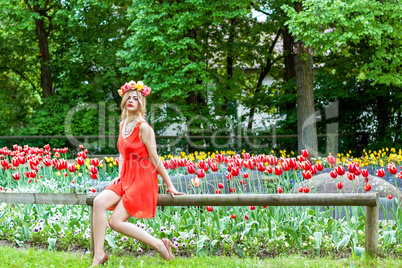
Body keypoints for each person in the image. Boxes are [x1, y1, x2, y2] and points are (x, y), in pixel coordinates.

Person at [91, 80, 185, 266]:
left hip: (143, 177)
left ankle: (159, 244)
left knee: (115, 222)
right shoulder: (122, 124)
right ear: (124, 101)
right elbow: (122, 154)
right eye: (129, 98)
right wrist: (119, 173)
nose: (131, 100)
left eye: (136, 98)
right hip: (125, 176)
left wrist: (170, 184)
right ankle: (99, 254)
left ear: (141, 103)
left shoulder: (143, 127)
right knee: (98, 201)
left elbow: (155, 158)